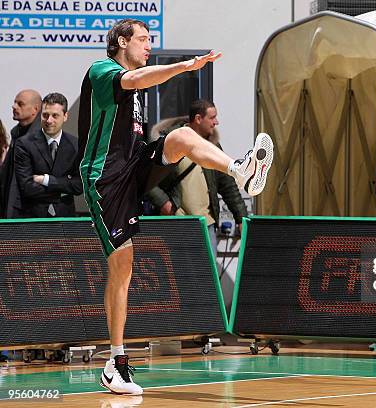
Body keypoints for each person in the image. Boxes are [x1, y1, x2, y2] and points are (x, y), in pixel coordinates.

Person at [78, 18, 273, 395]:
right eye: (143, 39)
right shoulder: (103, 70)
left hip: (134, 166)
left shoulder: (136, 97)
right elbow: (136, 79)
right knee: (122, 264)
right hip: (105, 178)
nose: (149, 45)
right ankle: (115, 363)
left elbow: (139, 106)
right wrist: (184, 67)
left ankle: (240, 170)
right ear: (121, 42)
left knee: (183, 135)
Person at [147, 99, 248, 255]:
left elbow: (227, 184)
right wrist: (164, 203)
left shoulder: (213, 146)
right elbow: (146, 178)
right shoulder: (170, 141)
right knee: (178, 275)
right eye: (212, 117)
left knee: (208, 276)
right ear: (198, 119)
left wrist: (241, 218)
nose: (217, 122)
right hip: (176, 223)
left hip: (206, 225)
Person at [14, 93, 82, 218]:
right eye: (45, 115)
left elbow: (79, 186)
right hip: (32, 217)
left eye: (55, 115)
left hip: (65, 217)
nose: (49, 120)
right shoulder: (24, 144)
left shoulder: (76, 145)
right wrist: (63, 190)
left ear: (65, 116)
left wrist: (47, 180)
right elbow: (27, 187)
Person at [0, 89, 42, 218]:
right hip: (11, 210)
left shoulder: (41, 139)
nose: (14, 106)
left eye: (20, 104)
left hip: (29, 215)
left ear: (35, 109)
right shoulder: (16, 134)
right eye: (14, 102)